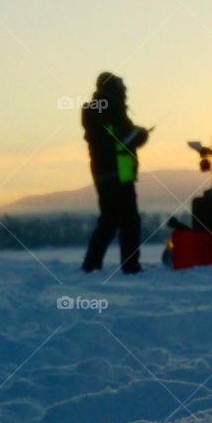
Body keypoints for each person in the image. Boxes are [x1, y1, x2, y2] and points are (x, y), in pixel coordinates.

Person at [81, 72, 150, 273]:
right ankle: (130, 266)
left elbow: (113, 135)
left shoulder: (96, 109)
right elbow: (122, 137)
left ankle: (91, 264)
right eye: (121, 87)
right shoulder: (110, 108)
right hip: (118, 172)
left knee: (109, 220)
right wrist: (141, 134)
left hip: (103, 173)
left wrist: (135, 133)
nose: (124, 91)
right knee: (129, 220)